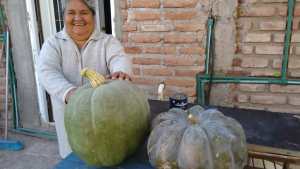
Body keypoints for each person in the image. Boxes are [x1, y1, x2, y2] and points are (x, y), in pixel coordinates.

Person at [37, 0, 132, 158]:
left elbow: (119, 58)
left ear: (93, 16)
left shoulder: (107, 41)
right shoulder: (53, 43)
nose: (77, 18)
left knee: (105, 154)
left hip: (104, 114)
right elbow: (46, 71)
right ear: (64, 16)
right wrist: (69, 93)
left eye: (84, 12)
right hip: (69, 114)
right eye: (71, 13)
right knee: (73, 158)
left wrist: (120, 71)